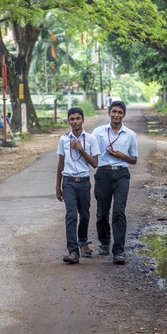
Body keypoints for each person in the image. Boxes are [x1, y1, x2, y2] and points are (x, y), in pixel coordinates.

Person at [92, 100, 138, 265]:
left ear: (124, 115)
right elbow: (92, 153)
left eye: (120, 112)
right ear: (109, 113)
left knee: (119, 211)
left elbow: (134, 160)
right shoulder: (98, 132)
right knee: (102, 213)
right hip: (103, 174)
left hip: (121, 175)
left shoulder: (130, 135)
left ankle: (118, 250)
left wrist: (121, 155)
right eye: (114, 112)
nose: (116, 115)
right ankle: (104, 242)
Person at [56, 107, 100, 264]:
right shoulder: (63, 140)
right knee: (71, 215)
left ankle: (82, 240)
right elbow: (60, 163)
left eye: (77, 118)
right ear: (69, 121)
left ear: (83, 120)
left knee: (85, 215)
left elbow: (95, 163)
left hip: (83, 182)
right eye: (72, 119)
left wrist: (80, 149)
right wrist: (58, 187)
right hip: (68, 182)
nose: (75, 122)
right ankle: (73, 251)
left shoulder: (91, 139)